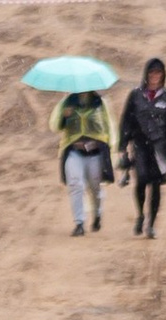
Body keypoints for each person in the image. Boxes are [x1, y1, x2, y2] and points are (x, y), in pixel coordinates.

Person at [119, 59, 166, 234]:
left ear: (163, 75)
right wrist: (122, 146)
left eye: (158, 73)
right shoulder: (136, 95)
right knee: (141, 181)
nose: (154, 76)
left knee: (155, 185)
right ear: (146, 75)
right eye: (152, 73)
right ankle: (140, 215)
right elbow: (126, 121)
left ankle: (151, 225)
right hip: (140, 145)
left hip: (159, 148)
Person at [52, 80, 118, 235]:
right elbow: (56, 126)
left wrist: (112, 148)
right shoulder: (67, 103)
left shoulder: (101, 104)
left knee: (95, 187)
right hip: (74, 151)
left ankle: (97, 213)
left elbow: (110, 128)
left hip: (95, 153)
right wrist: (64, 116)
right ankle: (79, 223)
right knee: (75, 185)